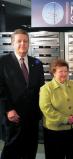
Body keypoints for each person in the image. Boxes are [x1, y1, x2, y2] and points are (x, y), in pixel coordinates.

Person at [0, 29, 45, 159]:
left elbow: (41, 89)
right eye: (19, 41)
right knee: (11, 150)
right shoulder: (3, 62)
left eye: (25, 41)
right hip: (13, 115)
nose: (22, 44)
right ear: (12, 43)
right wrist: (8, 109)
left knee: (30, 150)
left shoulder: (37, 63)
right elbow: (1, 89)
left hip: (32, 116)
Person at [39, 59, 73, 159]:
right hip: (55, 132)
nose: (64, 74)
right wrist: (65, 119)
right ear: (54, 73)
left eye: (66, 71)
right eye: (60, 71)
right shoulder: (46, 89)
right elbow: (46, 108)